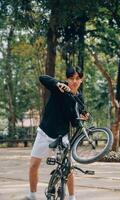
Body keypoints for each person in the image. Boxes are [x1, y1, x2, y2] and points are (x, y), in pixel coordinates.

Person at [22, 66, 88, 200]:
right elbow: (43, 78)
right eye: (71, 78)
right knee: (33, 165)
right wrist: (56, 83)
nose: (74, 81)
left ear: (81, 80)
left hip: (61, 135)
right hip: (45, 131)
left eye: (77, 78)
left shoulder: (79, 99)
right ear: (67, 79)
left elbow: (74, 122)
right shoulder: (61, 87)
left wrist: (82, 117)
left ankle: (72, 197)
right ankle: (32, 195)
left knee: (68, 168)